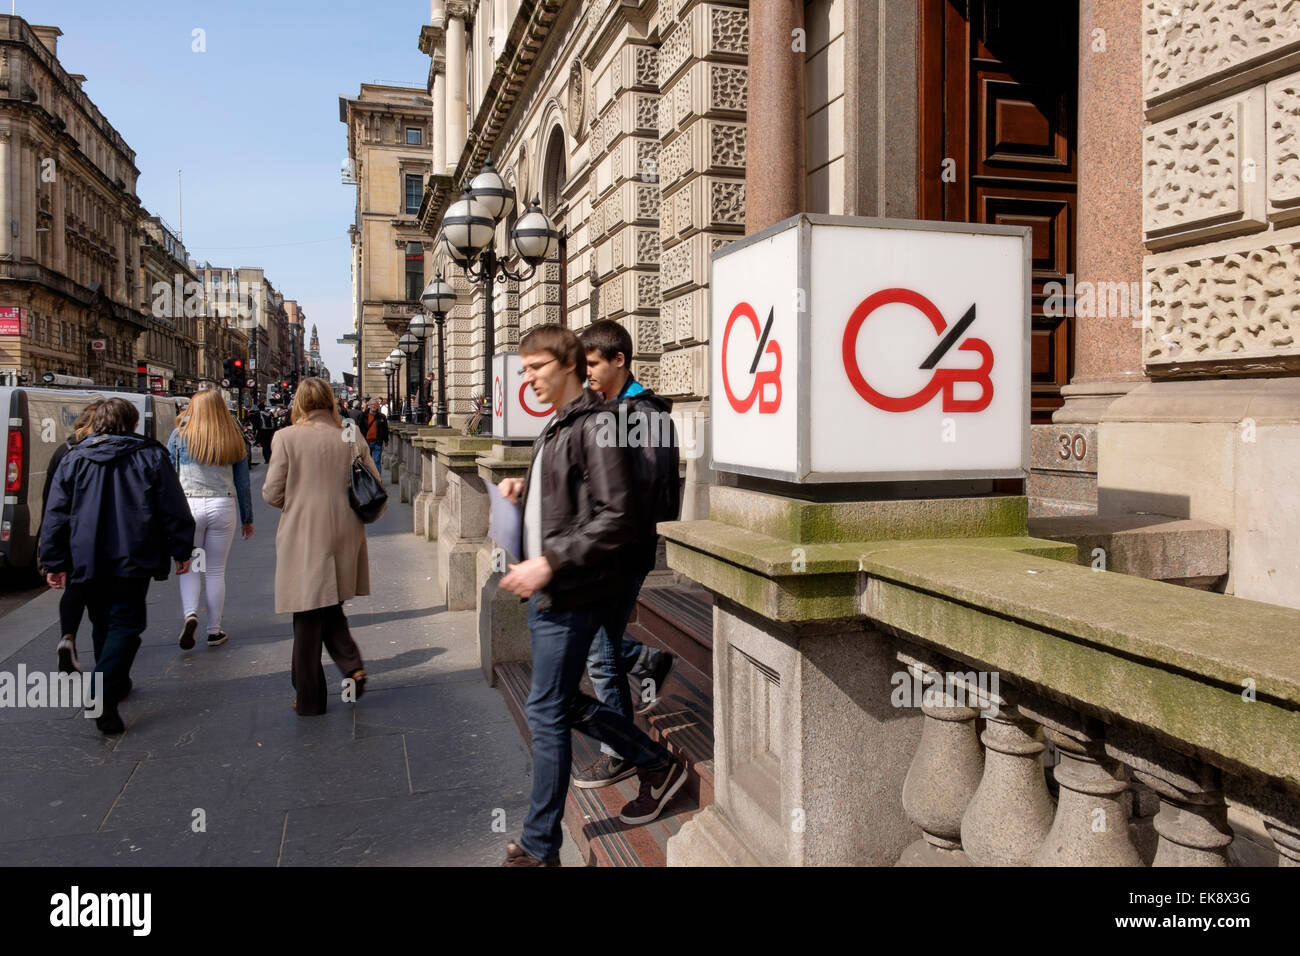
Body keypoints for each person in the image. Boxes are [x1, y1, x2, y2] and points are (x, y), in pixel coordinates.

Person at [497, 325, 685, 867]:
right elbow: (574, 494)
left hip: (572, 591)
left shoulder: (598, 425)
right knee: (555, 702)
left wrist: (549, 562)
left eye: (535, 367)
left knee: (549, 710)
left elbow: (619, 516)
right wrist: (523, 489)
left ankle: (538, 848)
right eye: (524, 368)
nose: (527, 377)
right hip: (556, 590)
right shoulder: (561, 425)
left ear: (568, 365)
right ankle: (652, 760)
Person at [39, 398, 195, 735]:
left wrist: (53, 559)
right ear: (132, 424)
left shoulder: (75, 457)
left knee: (102, 620)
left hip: (87, 555)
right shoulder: (151, 455)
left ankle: (116, 680)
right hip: (133, 553)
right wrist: (182, 549)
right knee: (126, 622)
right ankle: (104, 690)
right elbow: (173, 507)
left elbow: (56, 514)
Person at [569, 320, 679, 789]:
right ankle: (646, 661)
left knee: (599, 651)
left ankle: (620, 751)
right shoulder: (604, 408)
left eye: (592, 363)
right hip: (601, 551)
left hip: (620, 553)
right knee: (601, 641)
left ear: (619, 360)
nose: (585, 371)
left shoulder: (643, 415)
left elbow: (650, 493)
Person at [262, 378, 384, 716]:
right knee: (326, 604)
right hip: (345, 531)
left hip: (304, 533)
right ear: (330, 401)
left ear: (299, 403)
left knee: (306, 614)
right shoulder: (348, 433)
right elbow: (373, 481)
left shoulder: (286, 437)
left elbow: (272, 493)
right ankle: (351, 667)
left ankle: (310, 698)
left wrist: (299, 499)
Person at [167, 388, 255, 650]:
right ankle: (214, 631)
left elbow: (170, 476)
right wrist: (247, 518)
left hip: (189, 505)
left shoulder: (179, 434)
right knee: (216, 570)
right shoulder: (232, 435)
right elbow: (242, 483)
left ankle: (190, 614)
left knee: (190, 565)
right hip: (222, 504)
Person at [38, 400, 102, 674]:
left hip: (67, 531)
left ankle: (67, 637)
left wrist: (49, 551)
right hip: (96, 530)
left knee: (75, 587)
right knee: (101, 598)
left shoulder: (63, 451)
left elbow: (50, 502)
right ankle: (105, 663)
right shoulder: (100, 452)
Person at [354, 397, 388, 472]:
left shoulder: (382, 417)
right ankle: (369, 479)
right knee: (367, 463)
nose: (373, 406)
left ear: (378, 406)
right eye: (372, 404)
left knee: (376, 462)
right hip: (366, 443)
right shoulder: (363, 415)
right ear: (369, 405)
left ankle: (377, 480)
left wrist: (386, 440)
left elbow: (385, 429)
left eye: (375, 404)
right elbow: (358, 427)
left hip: (377, 442)